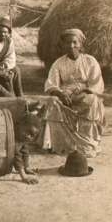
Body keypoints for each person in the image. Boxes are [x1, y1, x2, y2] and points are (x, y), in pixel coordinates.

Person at [43, 28, 105, 157]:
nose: (71, 46)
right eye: (68, 43)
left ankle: (86, 143)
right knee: (52, 101)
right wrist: (61, 94)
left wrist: (83, 90)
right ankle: (63, 144)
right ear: (63, 45)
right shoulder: (58, 63)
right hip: (65, 96)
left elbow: (96, 84)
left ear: (80, 44)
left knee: (92, 100)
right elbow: (51, 84)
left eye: (74, 42)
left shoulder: (90, 61)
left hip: (84, 94)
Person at [0, 17, 23, 96]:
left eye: (5, 32)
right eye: (0, 31)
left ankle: (20, 95)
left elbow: (11, 57)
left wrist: (5, 65)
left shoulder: (9, 41)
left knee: (16, 70)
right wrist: (0, 68)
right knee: (7, 77)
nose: (3, 34)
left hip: (3, 65)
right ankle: (11, 96)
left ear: (8, 33)